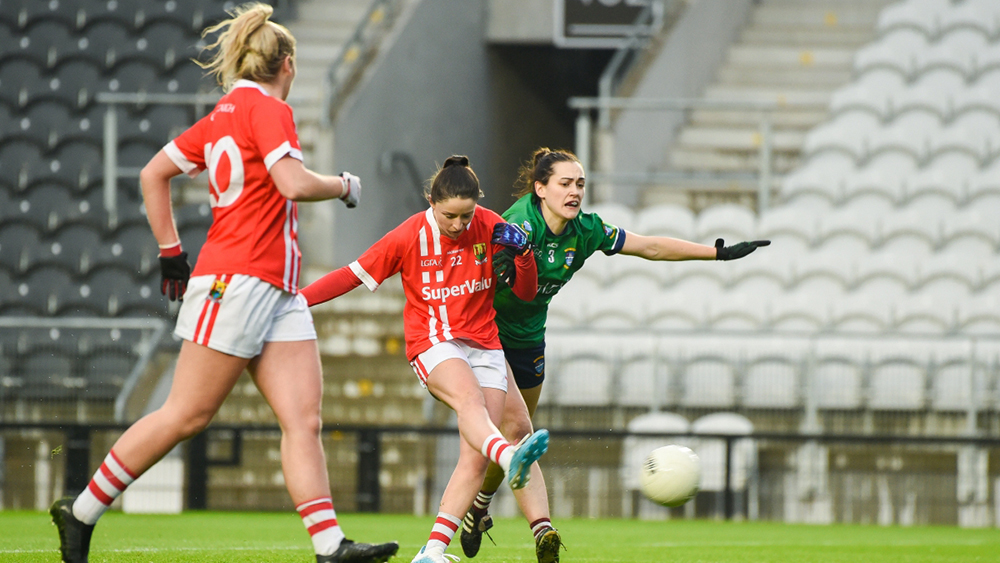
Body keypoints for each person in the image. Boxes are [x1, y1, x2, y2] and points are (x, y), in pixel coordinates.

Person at [49, 4, 398, 563]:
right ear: (286, 64)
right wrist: (343, 185)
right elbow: (290, 182)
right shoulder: (269, 109)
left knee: (302, 419)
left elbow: (152, 173)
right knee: (186, 414)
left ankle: (330, 547)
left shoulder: (222, 114)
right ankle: (82, 509)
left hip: (274, 287)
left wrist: (170, 254)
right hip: (237, 280)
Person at [460, 148, 771, 563]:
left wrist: (715, 253)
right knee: (518, 428)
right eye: (565, 184)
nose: (575, 192)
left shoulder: (585, 230)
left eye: (581, 184)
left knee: (515, 435)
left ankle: (479, 506)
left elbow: (651, 247)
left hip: (529, 339)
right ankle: (542, 530)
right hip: (487, 335)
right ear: (540, 188)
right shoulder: (517, 224)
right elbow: (465, 261)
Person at [301, 155, 551, 563]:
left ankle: (432, 551)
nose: (458, 225)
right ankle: (510, 456)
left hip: (485, 344)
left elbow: (524, 293)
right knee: (472, 406)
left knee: (474, 455)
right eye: (450, 215)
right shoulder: (408, 236)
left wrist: (523, 256)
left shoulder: (490, 225)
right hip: (433, 342)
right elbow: (350, 273)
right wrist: (299, 301)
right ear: (431, 202)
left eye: (466, 215)